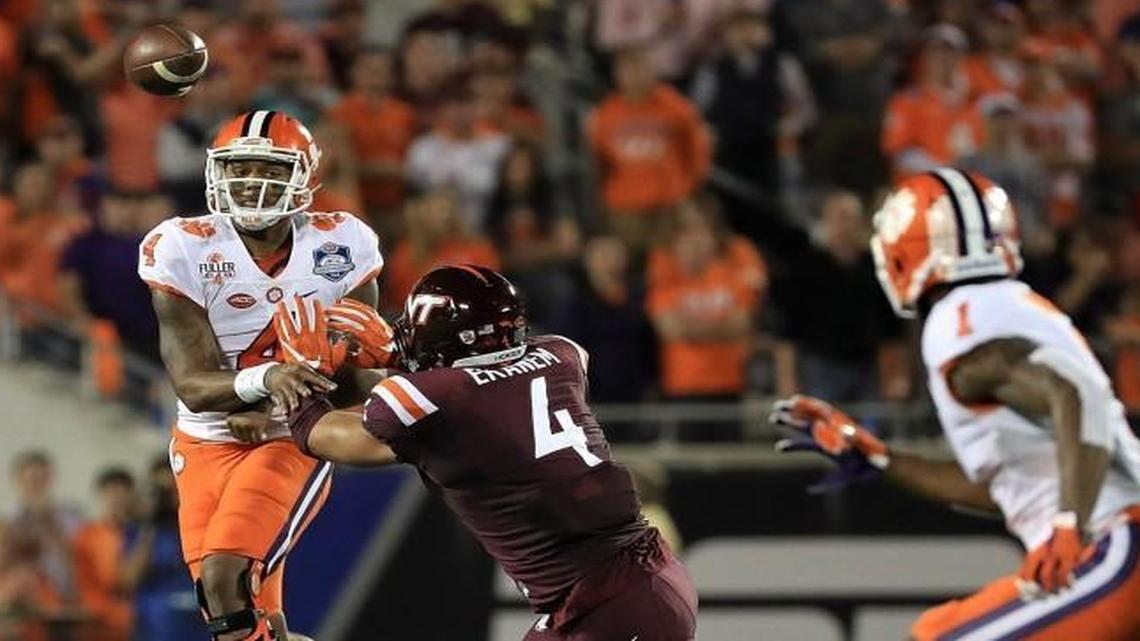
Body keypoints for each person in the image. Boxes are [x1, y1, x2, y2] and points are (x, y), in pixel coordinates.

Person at [772, 168, 1140, 640]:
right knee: (935, 629)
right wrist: (882, 459)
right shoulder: (1007, 304)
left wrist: (1071, 523)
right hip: (1114, 541)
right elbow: (1010, 488)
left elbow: (1074, 393)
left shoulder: (962, 317)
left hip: (1114, 545)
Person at [281, 265, 698, 641]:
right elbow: (487, 394)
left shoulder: (434, 398)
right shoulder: (560, 355)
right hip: (624, 588)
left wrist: (301, 372)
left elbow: (321, 435)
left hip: (614, 603)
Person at [137, 109, 386, 641]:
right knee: (236, 615)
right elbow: (193, 386)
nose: (252, 185)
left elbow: (358, 373)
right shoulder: (183, 246)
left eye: (269, 171)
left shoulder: (342, 243)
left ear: (304, 176)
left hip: (293, 434)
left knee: (227, 576)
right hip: (203, 441)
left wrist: (386, 373)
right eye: (240, 169)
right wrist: (266, 383)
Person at [71, 468, 139, 641]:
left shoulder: (142, 533)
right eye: (110, 492)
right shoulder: (87, 536)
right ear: (100, 495)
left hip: (139, 617)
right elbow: (88, 582)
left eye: (122, 492)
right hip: (100, 621)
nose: (116, 498)